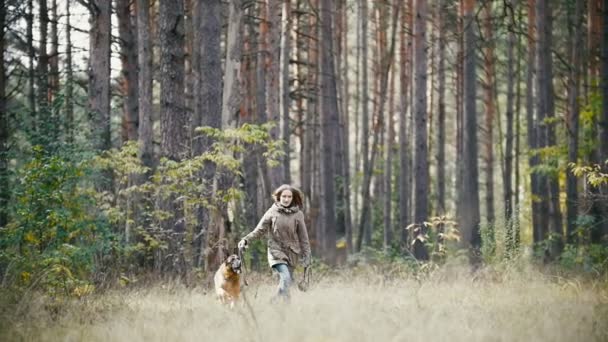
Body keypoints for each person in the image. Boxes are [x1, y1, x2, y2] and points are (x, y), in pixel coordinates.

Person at [238, 184, 311, 300]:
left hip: (292, 253)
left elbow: (304, 239)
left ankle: (284, 309)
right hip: (275, 250)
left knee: (287, 281)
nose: (286, 199)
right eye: (284, 196)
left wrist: (307, 257)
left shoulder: (298, 214)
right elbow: (259, 231)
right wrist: (245, 239)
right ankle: (274, 301)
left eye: (289, 197)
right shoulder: (272, 212)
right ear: (279, 197)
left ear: (293, 198)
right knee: (286, 277)